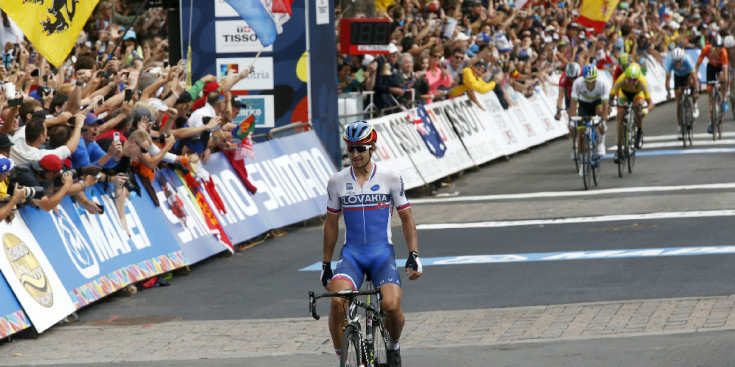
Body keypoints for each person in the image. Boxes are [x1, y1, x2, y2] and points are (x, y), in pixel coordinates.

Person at [321, 120, 422, 367]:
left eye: (360, 148)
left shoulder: (390, 177)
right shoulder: (337, 181)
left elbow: (406, 217)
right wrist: (326, 263)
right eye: (350, 148)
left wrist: (413, 253)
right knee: (336, 303)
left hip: (381, 254)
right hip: (352, 255)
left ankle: (393, 346)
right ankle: (341, 359)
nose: (354, 154)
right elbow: (331, 224)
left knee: (390, 305)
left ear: (372, 148)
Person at [609, 64, 654, 162]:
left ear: (638, 80)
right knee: (620, 116)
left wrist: (644, 112)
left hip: (637, 94)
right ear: (625, 77)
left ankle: (639, 132)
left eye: (634, 82)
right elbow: (611, 95)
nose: (631, 84)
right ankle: (619, 148)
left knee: (638, 107)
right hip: (624, 94)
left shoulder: (642, 81)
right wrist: (610, 106)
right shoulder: (621, 79)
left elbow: (651, 104)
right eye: (629, 80)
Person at [569, 64, 610, 166]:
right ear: (583, 78)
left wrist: (603, 122)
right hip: (584, 105)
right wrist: (572, 121)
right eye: (588, 81)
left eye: (593, 80)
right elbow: (573, 103)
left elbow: (605, 106)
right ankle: (583, 161)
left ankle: (601, 143)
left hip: (597, 103)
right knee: (581, 133)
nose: (590, 84)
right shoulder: (577, 83)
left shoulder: (603, 84)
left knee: (601, 114)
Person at [695, 35, 729, 135]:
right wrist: (695, 76)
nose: (716, 52)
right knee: (710, 92)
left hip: (720, 67)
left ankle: (724, 99)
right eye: (715, 50)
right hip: (711, 67)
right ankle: (711, 122)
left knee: (723, 79)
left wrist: (725, 82)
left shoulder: (723, 52)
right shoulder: (706, 49)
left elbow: (725, 69)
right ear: (711, 46)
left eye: (718, 50)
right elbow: (697, 65)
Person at [664, 48, 700, 133]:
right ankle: (680, 124)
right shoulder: (670, 62)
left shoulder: (687, 60)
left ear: (683, 59)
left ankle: (694, 104)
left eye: (679, 61)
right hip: (678, 78)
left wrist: (696, 91)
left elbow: (695, 77)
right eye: (676, 62)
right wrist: (668, 92)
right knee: (679, 102)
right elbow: (667, 80)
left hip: (688, 76)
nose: (678, 64)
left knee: (691, 83)